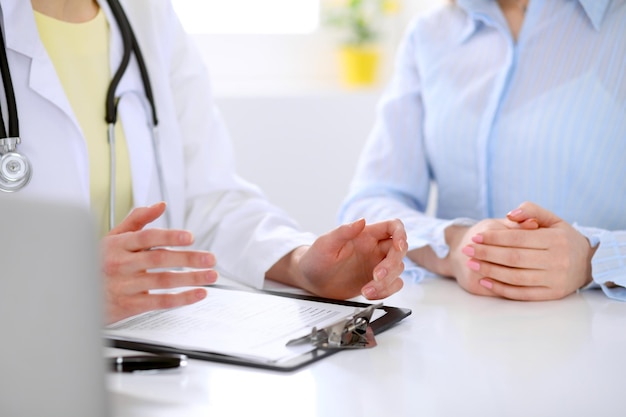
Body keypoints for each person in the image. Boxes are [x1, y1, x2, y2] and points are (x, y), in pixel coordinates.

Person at [0, 0, 407, 324]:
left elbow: (208, 197)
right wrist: (62, 288)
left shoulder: (149, 17)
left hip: (153, 352)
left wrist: (301, 264)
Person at [339, 0, 625, 301]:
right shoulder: (429, 34)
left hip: (598, 335)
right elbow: (369, 202)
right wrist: (452, 246)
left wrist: (592, 259)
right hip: (451, 331)